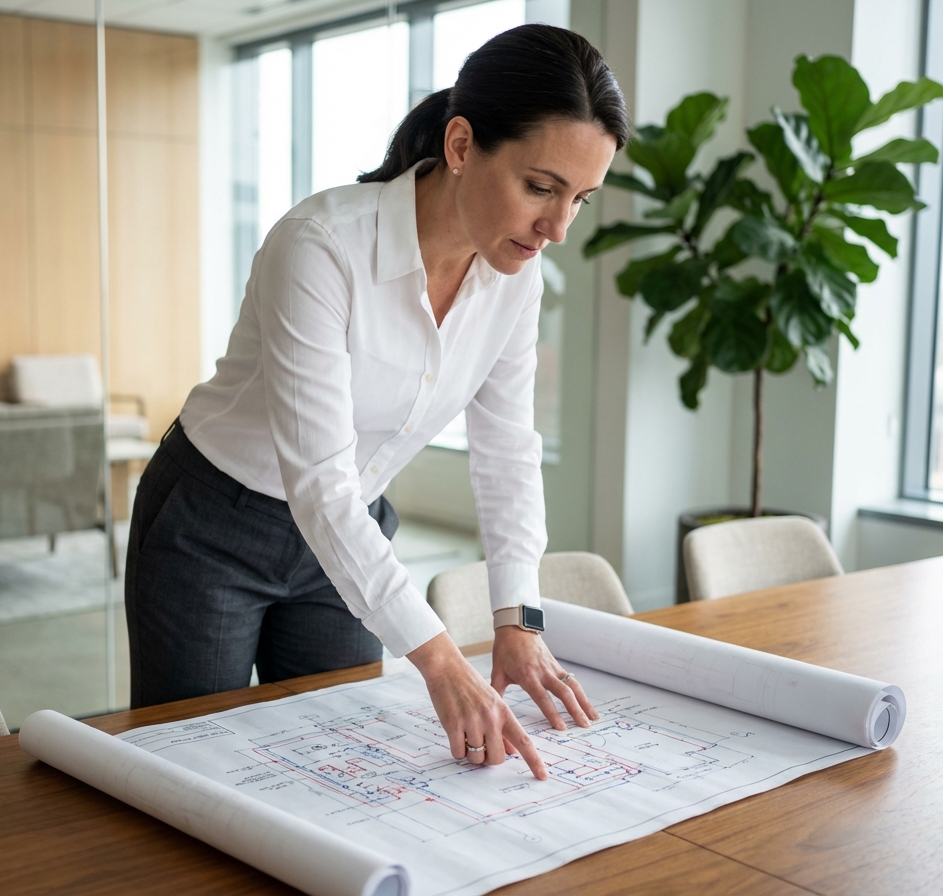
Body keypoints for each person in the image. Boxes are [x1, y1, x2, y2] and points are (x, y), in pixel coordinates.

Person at [126, 24, 627, 779]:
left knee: (338, 767)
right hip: (210, 530)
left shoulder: (513, 276)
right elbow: (320, 481)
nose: (557, 229)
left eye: (580, 199)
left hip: (348, 536)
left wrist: (516, 619)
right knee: (194, 774)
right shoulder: (321, 246)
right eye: (540, 187)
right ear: (461, 146)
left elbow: (507, 452)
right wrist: (441, 659)